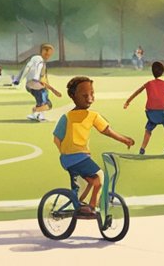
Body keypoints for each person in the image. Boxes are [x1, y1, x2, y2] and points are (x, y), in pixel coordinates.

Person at [53, 76, 135, 218]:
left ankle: (80, 205)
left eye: (92, 94)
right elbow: (56, 139)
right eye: (85, 95)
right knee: (99, 176)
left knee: (90, 182)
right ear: (73, 96)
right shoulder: (67, 117)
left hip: (77, 157)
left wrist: (124, 139)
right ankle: (91, 207)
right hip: (74, 157)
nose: (89, 98)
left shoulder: (92, 116)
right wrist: (67, 152)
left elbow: (106, 130)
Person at [123, 61, 164, 156]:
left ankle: (142, 149)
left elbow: (137, 92)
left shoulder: (149, 83)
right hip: (160, 112)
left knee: (149, 129)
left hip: (150, 112)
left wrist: (128, 101)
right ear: (163, 72)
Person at [18, 44, 61, 121]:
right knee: (48, 104)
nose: (48, 56)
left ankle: (37, 115)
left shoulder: (35, 60)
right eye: (46, 53)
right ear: (42, 52)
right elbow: (40, 80)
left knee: (40, 101)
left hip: (30, 86)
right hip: (37, 86)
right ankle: (35, 111)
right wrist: (54, 90)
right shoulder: (40, 63)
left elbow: (27, 69)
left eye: (49, 54)